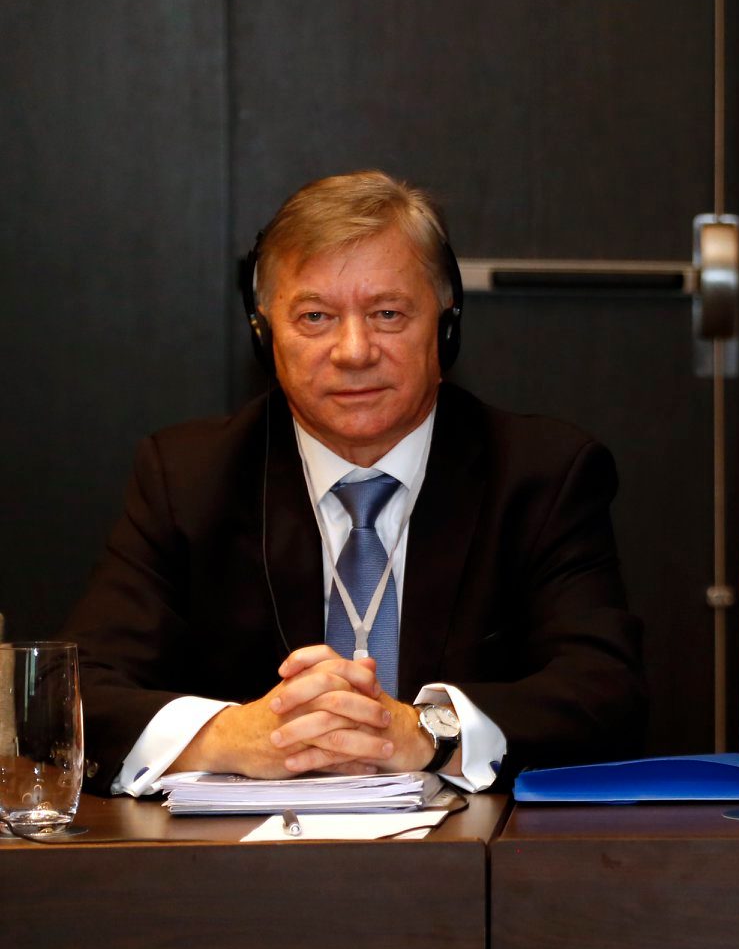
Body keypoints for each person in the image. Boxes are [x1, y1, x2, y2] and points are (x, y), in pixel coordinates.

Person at [63, 171, 645, 795]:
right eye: (315, 317)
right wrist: (238, 737)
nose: (354, 351)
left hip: (470, 848)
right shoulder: (188, 478)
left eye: (387, 313)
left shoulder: (541, 475)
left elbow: (605, 694)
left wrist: (426, 733)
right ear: (265, 335)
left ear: (446, 326)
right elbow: (74, 693)